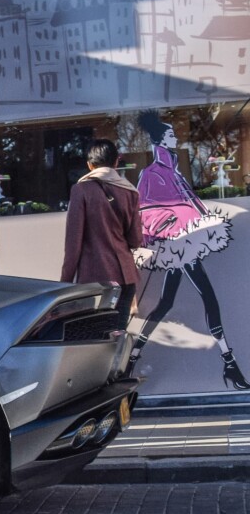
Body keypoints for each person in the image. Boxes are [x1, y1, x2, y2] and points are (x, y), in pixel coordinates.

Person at [128, 110, 246, 388]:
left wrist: (202, 218)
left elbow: (191, 202)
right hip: (177, 244)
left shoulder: (175, 172)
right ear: (160, 141)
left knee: (167, 303)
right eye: (171, 135)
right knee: (206, 297)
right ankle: (230, 364)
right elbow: (146, 212)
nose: (176, 138)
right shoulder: (151, 174)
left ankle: (133, 358)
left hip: (186, 243)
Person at [60, 139, 142, 329]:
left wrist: (64, 283)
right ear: (115, 163)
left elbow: (73, 244)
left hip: (95, 282)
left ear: (90, 165)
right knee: (116, 337)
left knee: (93, 337)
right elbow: (136, 240)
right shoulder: (130, 191)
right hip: (125, 278)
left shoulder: (81, 190)